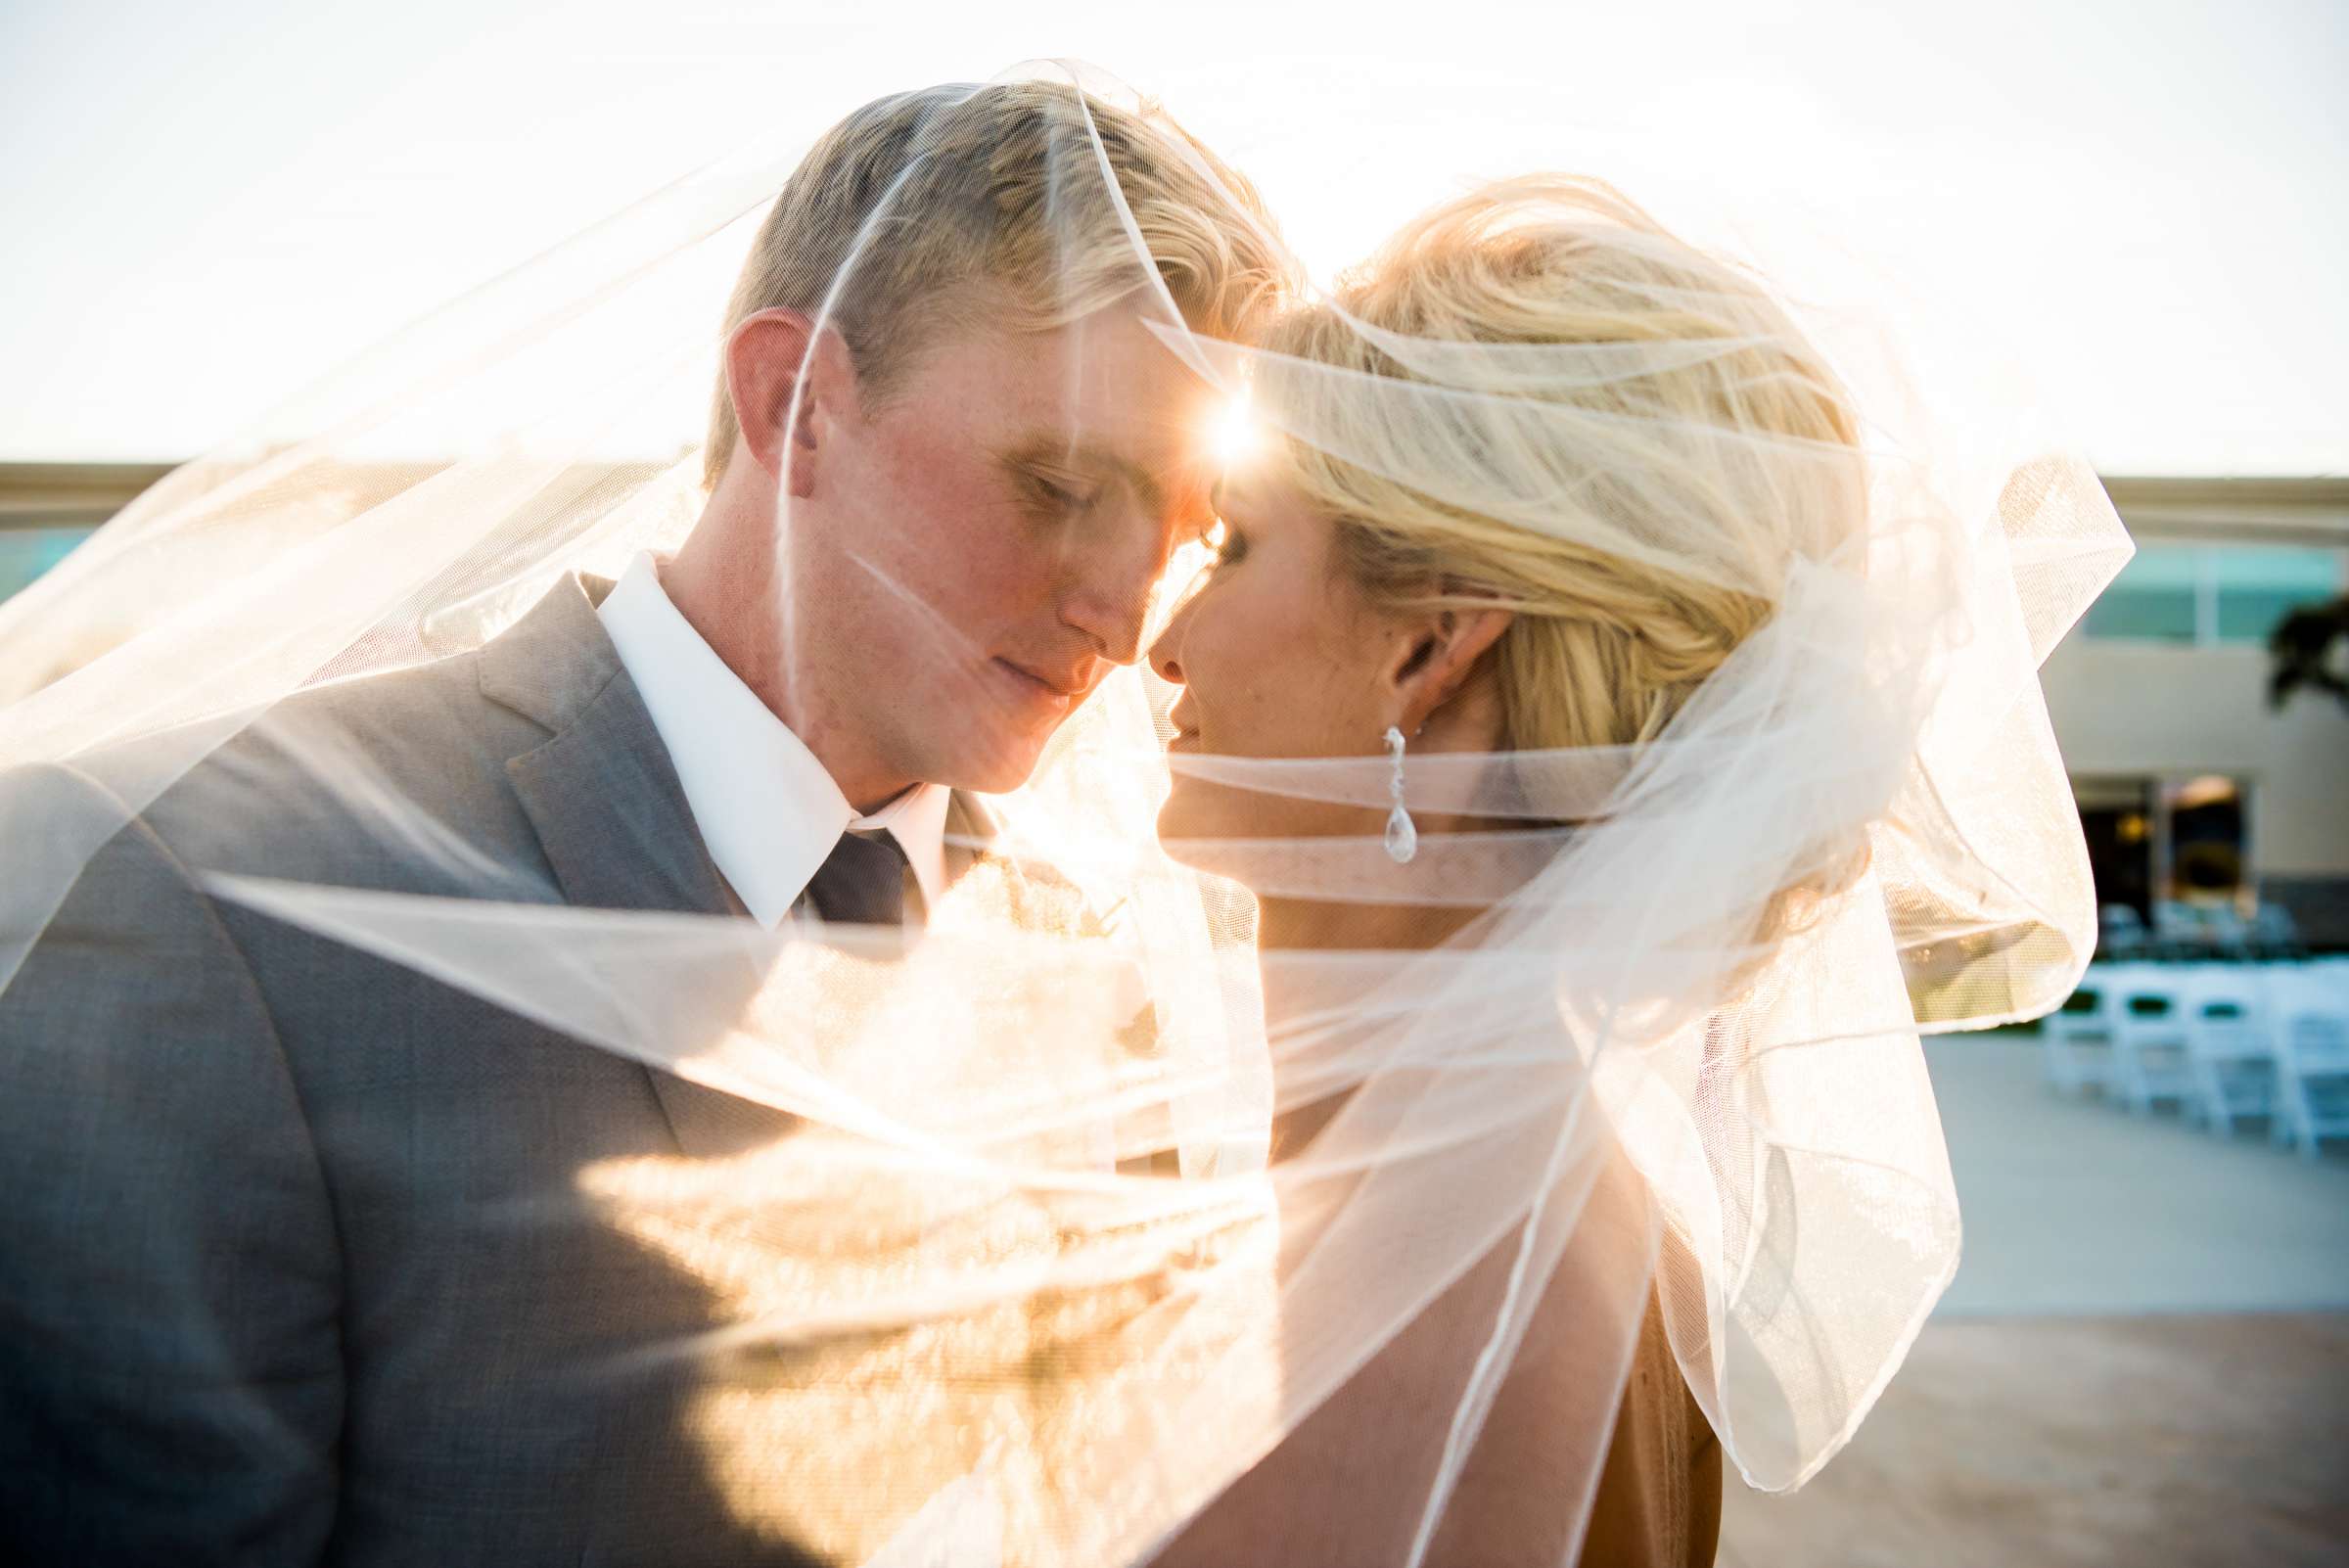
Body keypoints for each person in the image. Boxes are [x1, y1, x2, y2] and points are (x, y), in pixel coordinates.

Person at [0, 78, 1288, 1565]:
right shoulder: (203, 899)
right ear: (793, 404)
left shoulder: (1093, 966)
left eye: (1185, 531)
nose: (1124, 615)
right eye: (1064, 483)